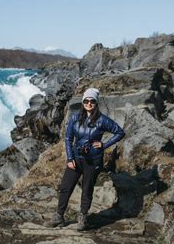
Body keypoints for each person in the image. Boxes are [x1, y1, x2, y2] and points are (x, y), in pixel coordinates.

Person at [45, 88, 125, 231]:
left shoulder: (102, 120)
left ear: (96, 103)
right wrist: (70, 158)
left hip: (93, 160)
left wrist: (104, 144)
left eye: (92, 101)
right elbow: (68, 139)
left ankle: (83, 218)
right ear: (83, 102)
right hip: (76, 158)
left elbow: (120, 132)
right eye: (86, 101)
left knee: (87, 189)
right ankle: (59, 216)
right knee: (65, 187)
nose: (89, 103)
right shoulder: (75, 118)